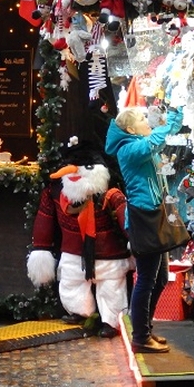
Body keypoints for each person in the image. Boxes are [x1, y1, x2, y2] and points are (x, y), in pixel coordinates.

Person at [26, 138, 131, 338]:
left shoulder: (111, 194)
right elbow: (45, 218)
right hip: (73, 252)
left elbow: (125, 217)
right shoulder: (56, 193)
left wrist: (135, 239)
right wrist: (41, 247)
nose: (76, 173)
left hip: (109, 254)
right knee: (71, 281)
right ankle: (79, 311)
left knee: (112, 288)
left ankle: (111, 321)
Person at [104, 106, 184, 353]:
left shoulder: (139, 143)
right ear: (130, 129)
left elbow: (158, 141)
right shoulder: (128, 149)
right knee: (147, 279)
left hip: (156, 214)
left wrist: (177, 111)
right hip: (144, 217)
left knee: (159, 278)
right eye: (141, 118)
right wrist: (169, 121)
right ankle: (140, 337)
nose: (145, 120)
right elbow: (154, 142)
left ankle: (145, 330)